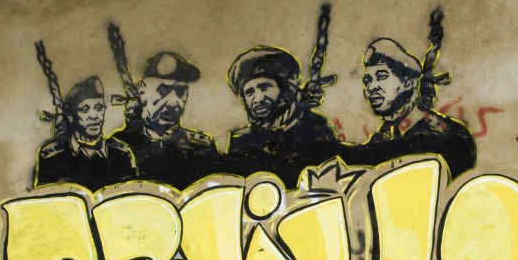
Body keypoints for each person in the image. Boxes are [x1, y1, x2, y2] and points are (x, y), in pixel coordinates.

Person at [351, 38, 476, 179]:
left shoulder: (447, 137)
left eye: (381, 76)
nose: (371, 88)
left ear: (408, 82)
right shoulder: (381, 141)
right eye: (368, 81)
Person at [225, 46, 339, 186]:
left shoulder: (314, 127)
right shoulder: (242, 140)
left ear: (285, 89)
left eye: (264, 87)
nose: (258, 98)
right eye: (249, 92)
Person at [111, 51, 220, 190]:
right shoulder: (120, 146)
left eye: (180, 92)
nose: (173, 102)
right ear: (141, 92)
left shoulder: (201, 146)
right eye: (163, 91)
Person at [35, 76, 138, 191]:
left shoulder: (121, 154)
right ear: (70, 116)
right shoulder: (52, 156)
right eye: (85, 109)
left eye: (99, 108)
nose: (94, 116)